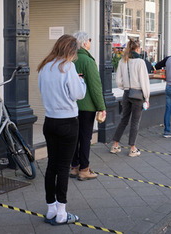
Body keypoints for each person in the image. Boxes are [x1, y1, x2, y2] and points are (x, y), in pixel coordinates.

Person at [37, 34, 86, 225]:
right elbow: (78, 94)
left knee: (52, 166)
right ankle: (62, 213)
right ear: (71, 50)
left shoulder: (44, 67)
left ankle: (50, 209)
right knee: (64, 167)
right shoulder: (68, 67)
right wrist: (81, 81)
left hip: (50, 121)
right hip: (67, 122)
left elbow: (43, 91)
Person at [70, 31, 106, 181]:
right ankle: (84, 169)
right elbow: (95, 87)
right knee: (85, 138)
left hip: (72, 105)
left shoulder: (70, 59)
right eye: (89, 40)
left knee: (74, 137)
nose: (90, 43)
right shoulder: (88, 61)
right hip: (87, 106)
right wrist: (101, 107)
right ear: (85, 43)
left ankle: (74, 167)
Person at [110, 38, 150, 157]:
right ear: (137, 49)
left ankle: (115, 145)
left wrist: (125, 87)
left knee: (124, 119)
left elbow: (118, 80)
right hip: (138, 94)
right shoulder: (140, 62)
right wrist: (147, 98)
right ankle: (132, 149)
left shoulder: (123, 60)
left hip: (126, 93)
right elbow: (144, 82)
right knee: (135, 122)